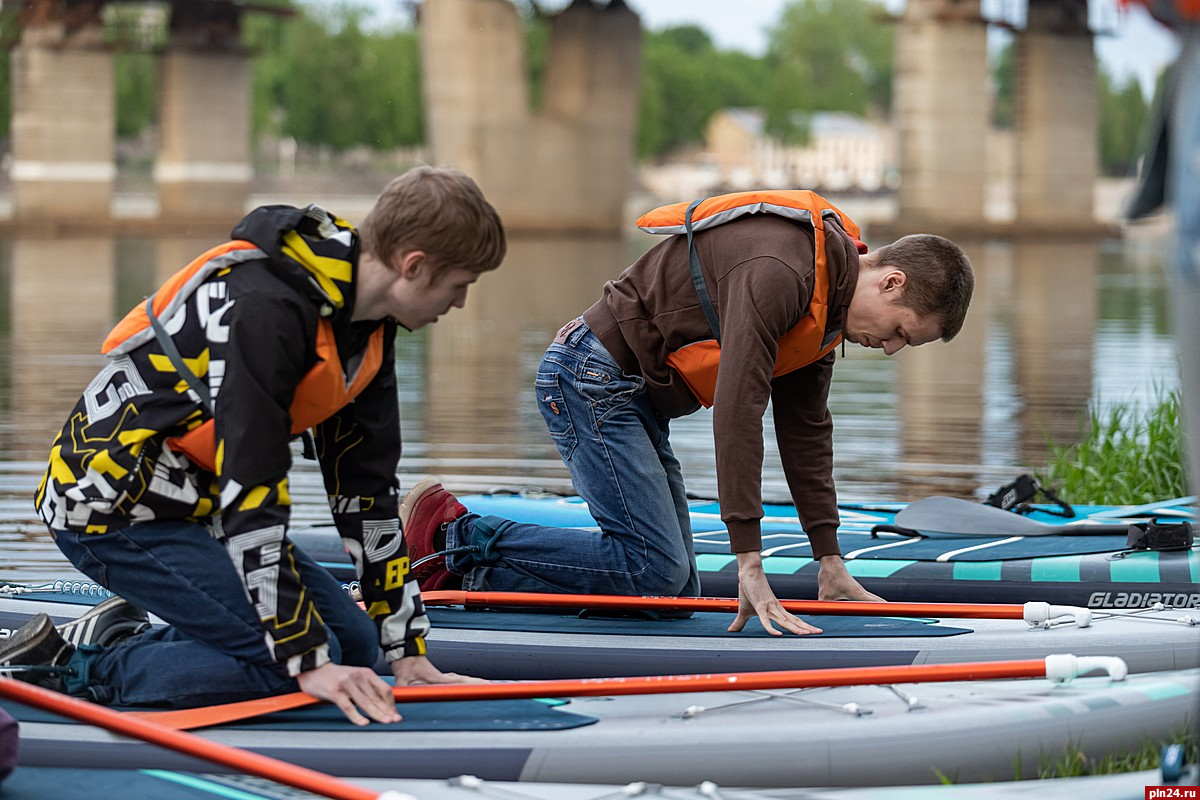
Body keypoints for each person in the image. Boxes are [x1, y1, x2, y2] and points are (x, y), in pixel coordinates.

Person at [1, 166, 506, 724]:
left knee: (360, 649)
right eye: (461, 284)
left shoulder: (368, 332)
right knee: (295, 663)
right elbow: (252, 489)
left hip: (194, 510)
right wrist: (302, 657)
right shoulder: (266, 310)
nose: (459, 303)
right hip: (110, 509)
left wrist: (405, 650)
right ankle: (73, 669)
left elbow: (367, 499)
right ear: (415, 266)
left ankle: (134, 635)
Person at [400, 189, 974, 636]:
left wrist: (829, 558)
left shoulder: (827, 311)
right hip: (589, 379)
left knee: (672, 595)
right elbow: (739, 411)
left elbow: (805, 433)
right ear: (891, 280)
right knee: (654, 574)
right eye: (902, 332)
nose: (893, 349)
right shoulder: (783, 269)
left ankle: (463, 576)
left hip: (631, 397)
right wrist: (748, 560)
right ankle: (453, 533)